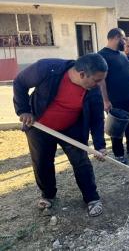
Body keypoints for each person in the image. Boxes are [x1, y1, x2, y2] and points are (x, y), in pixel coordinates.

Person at [13, 53, 108, 217]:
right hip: (40, 126)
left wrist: (100, 145)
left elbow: (97, 118)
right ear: (82, 74)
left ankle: (92, 198)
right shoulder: (48, 68)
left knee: (81, 162)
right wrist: (24, 110)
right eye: (97, 80)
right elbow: (20, 82)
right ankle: (48, 195)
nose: (99, 84)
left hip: (72, 128)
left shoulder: (92, 90)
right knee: (42, 162)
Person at [99, 28, 129, 164]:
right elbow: (101, 80)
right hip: (115, 100)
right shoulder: (102, 55)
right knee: (117, 128)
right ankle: (119, 154)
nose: (124, 42)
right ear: (116, 37)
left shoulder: (122, 54)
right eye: (123, 39)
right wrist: (106, 100)